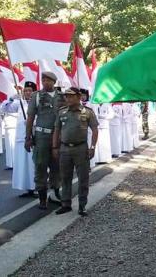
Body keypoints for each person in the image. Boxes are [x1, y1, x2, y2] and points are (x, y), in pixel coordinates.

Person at [53, 87, 98, 216]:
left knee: (83, 178)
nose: (68, 98)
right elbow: (56, 130)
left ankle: (82, 206)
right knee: (65, 178)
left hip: (81, 149)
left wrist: (93, 147)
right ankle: (66, 204)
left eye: (71, 96)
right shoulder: (62, 112)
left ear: (79, 97)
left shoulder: (87, 112)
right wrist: (54, 147)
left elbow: (95, 129)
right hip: (65, 149)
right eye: (66, 96)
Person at [25, 71, 65, 210]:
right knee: (40, 166)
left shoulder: (62, 97)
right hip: (41, 136)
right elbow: (30, 118)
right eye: (43, 80)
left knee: (57, 166)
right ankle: (42, 198)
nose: (46, 83)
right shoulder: (36, 96)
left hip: (57, 136)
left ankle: (55, 193)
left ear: (54, 82)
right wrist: (28, 137)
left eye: (49, 80)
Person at [2, 81, 38, 197]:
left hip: (34, 137)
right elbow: (5, 108)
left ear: (34, 92)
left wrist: (33, 123)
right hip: (21, 138)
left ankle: (36, 187)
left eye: (30, 90)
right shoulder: (20, 103)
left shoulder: (38, 102)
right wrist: (11, 98)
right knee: (23, 165)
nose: (27, 93)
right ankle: (27, 188)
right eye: (26, 90)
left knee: (33, 164)